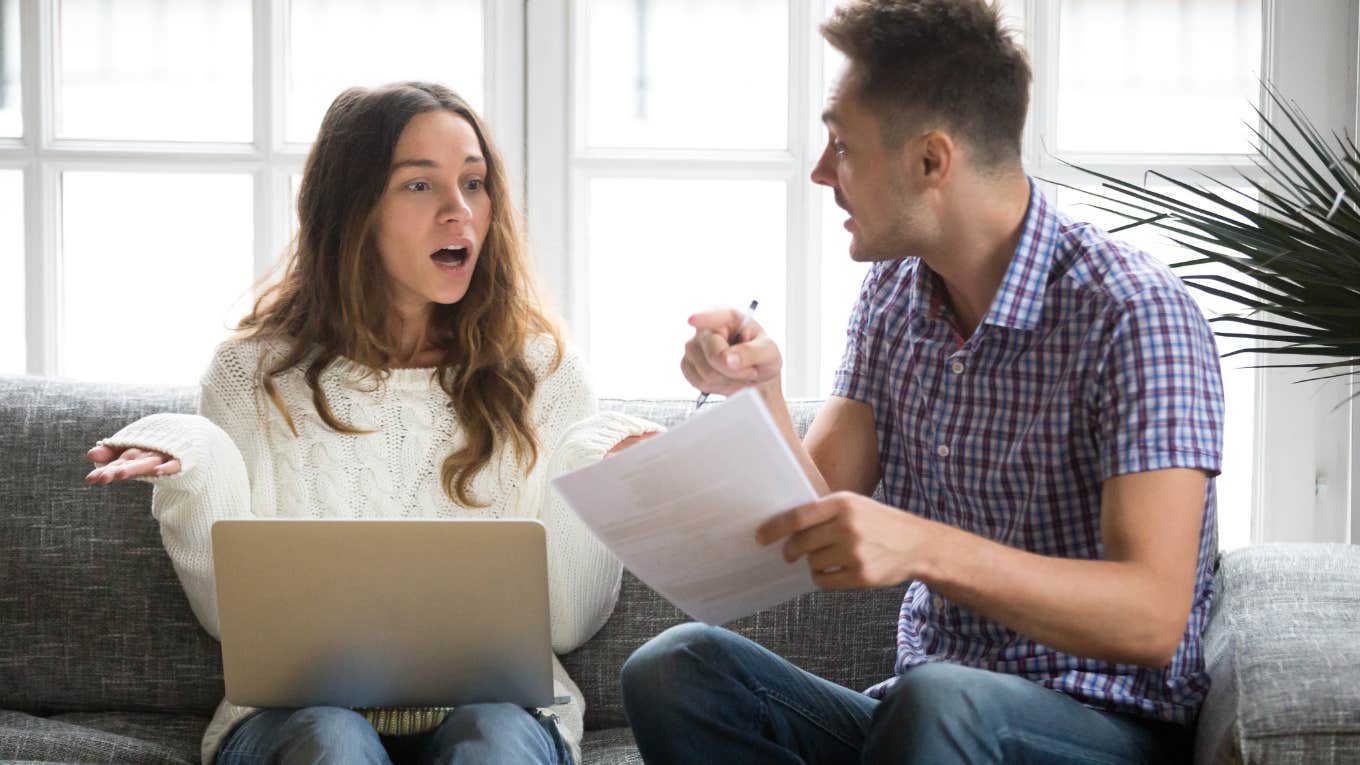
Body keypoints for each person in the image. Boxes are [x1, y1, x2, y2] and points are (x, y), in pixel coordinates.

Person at [620, 1, 1224, 763]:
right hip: (920, 718)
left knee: (940, 698)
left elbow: (1152, 616)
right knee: (677, 669)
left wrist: (928, 548)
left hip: (1100, 726)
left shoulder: (1135, 315)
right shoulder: (895, 293)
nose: (818, 172)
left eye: (841, 145)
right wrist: (756, 395)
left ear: (932, 161)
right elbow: (808, 514)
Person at [84, 81, 655, 765]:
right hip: (297, 718)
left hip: (502, 712)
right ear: (353, 208)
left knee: (496, 742)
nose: (459, 212)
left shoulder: (545, 370)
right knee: (333, 739)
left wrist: (594, 472)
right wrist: (195, 465)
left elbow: (567, 623)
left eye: (474, 183)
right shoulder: (251, 371)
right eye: (420, 186)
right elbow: (231, 623)